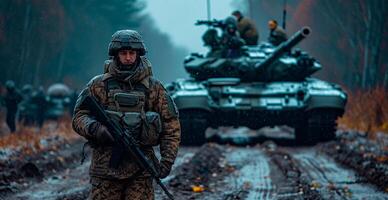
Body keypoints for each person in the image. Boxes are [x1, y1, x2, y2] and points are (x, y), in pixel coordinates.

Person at [72, 30, 181, 200]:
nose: (128, 57)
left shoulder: (153, 88)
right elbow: (79, 116)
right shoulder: (98, 85)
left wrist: (166, 162)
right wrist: (95, 128)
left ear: (139, 54)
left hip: (141, 169)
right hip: (105, 169)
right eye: (124, 53)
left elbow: (171, 126)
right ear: (116, 55)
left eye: (132, 53)